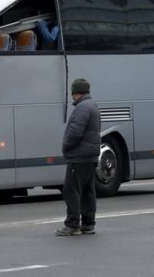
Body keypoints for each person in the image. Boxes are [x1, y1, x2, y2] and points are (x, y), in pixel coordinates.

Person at [56, 78, 101, 236]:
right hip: (90, 156)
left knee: (71, 190)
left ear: (75, 92)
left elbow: (75, 132)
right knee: (88, 191)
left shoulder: (82, 108)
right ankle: (88, 224)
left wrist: (65, 146)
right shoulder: (92, 105)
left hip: (79, 156)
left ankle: (72, 224)